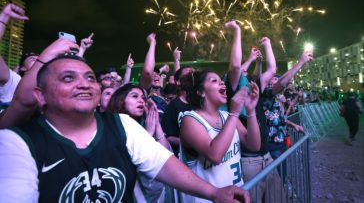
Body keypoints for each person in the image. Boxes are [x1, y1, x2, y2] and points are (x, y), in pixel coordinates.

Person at [0, 54, 250, 203]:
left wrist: (214, 193)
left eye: (89, 78)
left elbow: (163, 164)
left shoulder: (121, 125)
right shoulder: (17, 143)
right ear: (40, 96)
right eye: (68, 78)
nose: (84, 84)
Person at [179, 69, 260, 203]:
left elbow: (254, 145)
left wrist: (251, 111)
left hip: (234, 196)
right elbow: (215, 156)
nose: (222, 83)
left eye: (221, 80)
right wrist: (234, 112)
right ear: (201, 92)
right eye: (214, 81)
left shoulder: (227, 117)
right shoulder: (190, 120)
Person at [0, 3, 28, 108]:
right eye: (33, 58)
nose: (38, 59)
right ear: (23, 68)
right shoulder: (15, 81)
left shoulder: (48, 85)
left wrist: (82, 49)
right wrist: (4, 16)